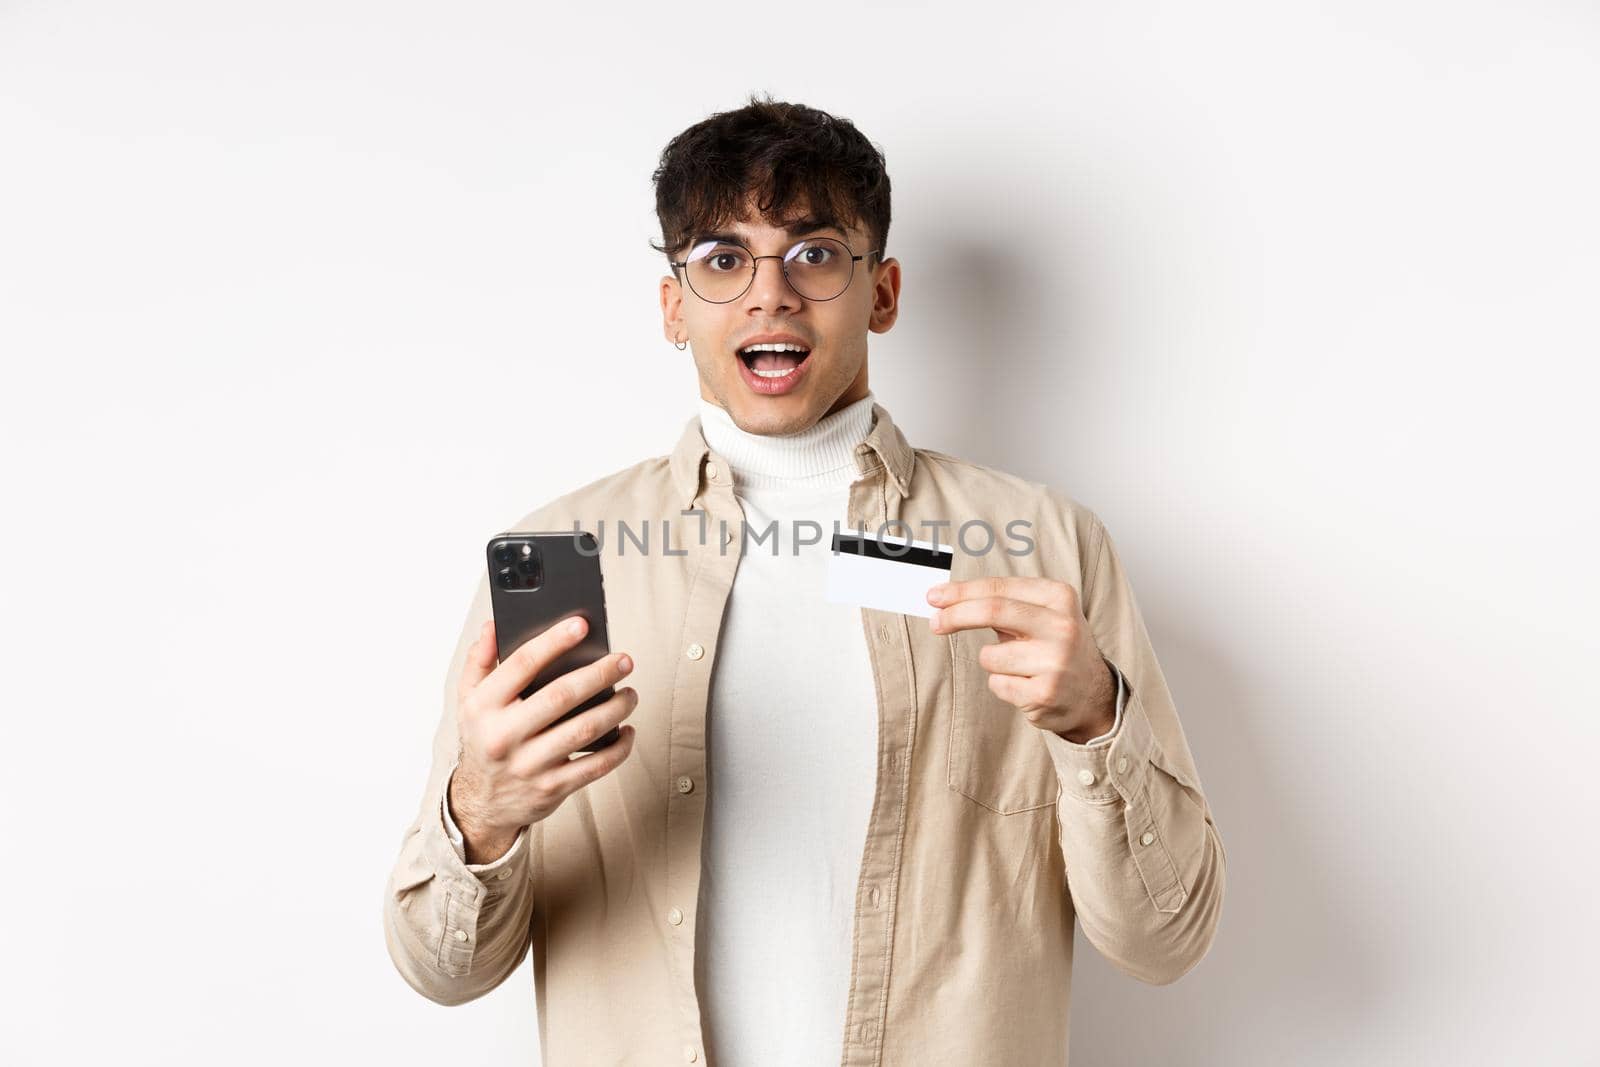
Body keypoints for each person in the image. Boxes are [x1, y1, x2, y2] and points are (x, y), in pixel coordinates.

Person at [383, 94, 1226, 1067]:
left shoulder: (1040, 545)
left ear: (883, 292)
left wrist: (1096, 722)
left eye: (815, 252)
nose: (769, 293)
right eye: (721, 258)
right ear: (672, 305)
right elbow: (440, 968)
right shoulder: (561, 555)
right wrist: (481, 809)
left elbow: (1166, 942)